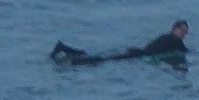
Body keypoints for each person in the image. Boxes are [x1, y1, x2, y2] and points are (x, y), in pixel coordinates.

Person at [53, 22, 189, 65]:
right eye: (182, 30)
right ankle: (73, 59)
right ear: (174, 29)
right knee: (103, 60)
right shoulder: (175, 41)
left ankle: (69, 52)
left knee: (104, 59)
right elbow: (185, 52)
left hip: (137, 51)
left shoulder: (166, 36)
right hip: (137, 55)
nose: (184, 33)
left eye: (186, 31)